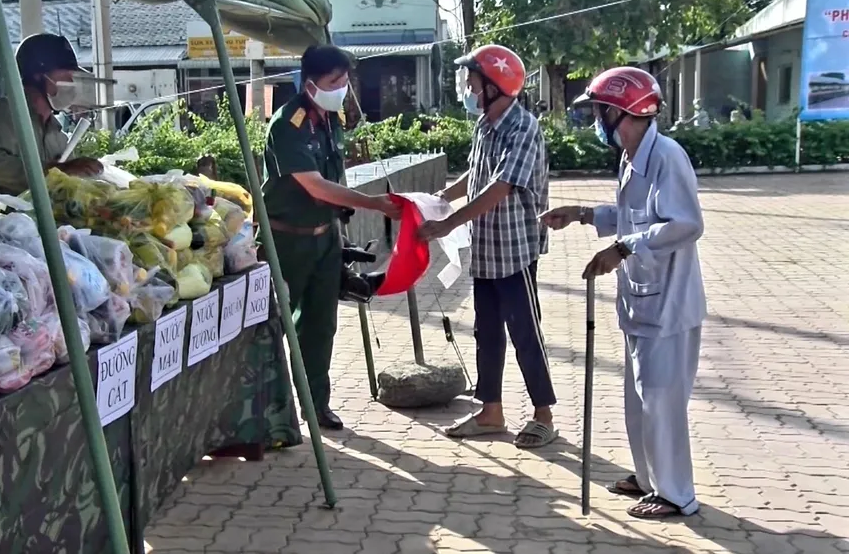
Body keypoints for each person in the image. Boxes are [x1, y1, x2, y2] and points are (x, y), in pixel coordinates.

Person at [540, 66, 707, 520]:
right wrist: (582, 213)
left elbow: (685, 224)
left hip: (670, 305)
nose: (597, 120)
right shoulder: (633, 158)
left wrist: (623, 248)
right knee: (640, 399)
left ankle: (677, 495)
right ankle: (648, 479)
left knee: (662, 403)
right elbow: (633, 216)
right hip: (642, 299)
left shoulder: (667, 156)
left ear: (623, 112)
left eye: (601, 111)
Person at [416, 44, 557, 448]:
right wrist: (443, 196)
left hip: (514, 249)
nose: (468, 88)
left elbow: (501, 186)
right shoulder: (485, 125)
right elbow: (477, 174)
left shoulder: (523, 128)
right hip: (486, 249)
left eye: (473, 81)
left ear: (495, 85)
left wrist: (448, 224)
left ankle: (543, 415)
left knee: (525, 330)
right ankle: (490, 411)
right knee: (487, 332)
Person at [261, 44, 401, 431]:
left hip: (325, 239)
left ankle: (316, 404)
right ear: (310, 84)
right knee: (275, 327)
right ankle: (272, 416)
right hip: (286, 242)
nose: (342, 88)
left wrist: (342, 226)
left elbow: (334, 179)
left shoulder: (330, 120)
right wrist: (372, 203)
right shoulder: (287, 125)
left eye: (344, 80)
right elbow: (316, 186)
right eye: (334, 81)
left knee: (320, 326)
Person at [0, 33, 103, 195]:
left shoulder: (58, 136)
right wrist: (60, 169)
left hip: (38, 212)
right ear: (38, 75)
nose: (72, 83)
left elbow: (67, 182)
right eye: (66, 76)